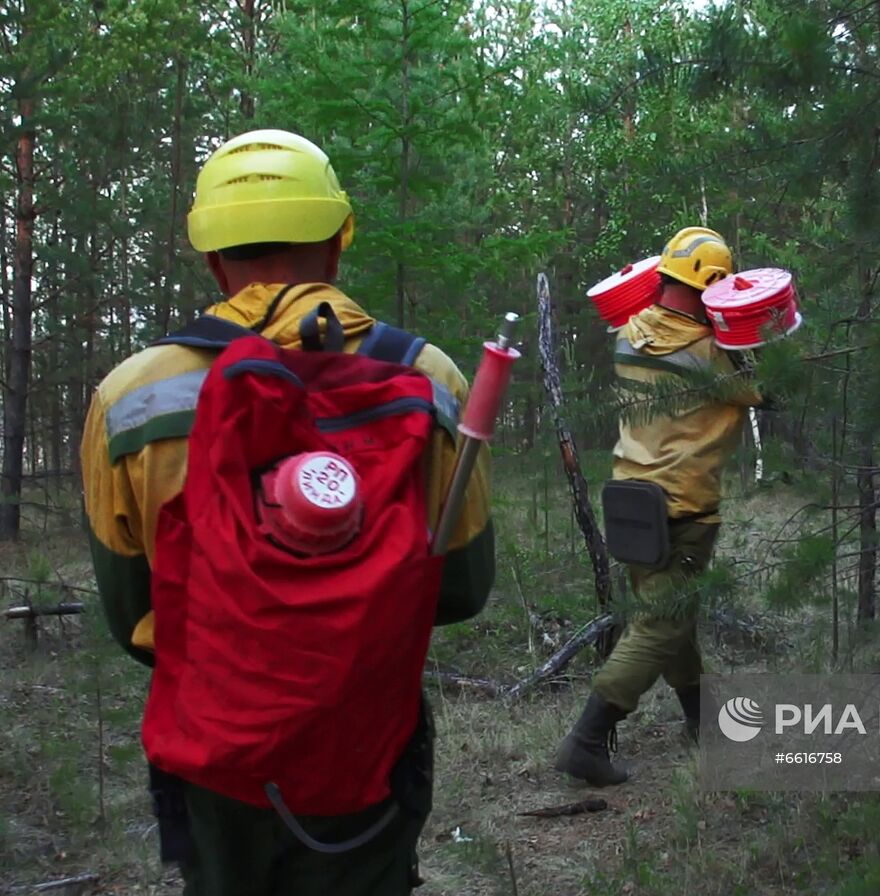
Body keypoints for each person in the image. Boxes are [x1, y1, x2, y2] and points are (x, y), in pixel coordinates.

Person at [79, 129, 495, 895]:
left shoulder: (129, 396)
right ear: (339, 246)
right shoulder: (429, 378)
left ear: (211, 260)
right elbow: (463, 590)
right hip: (368, 744)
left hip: (212, 753)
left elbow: (133, 615)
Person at [554, 226, 763, 787]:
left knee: (673, 615)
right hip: (682, 510)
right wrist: (750, 334)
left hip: (628, 501)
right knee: (661, 625)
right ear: (712, 286)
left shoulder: (627, 334)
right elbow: (761, 390)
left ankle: (702, 722)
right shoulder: (703, 355)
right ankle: (587, 739)